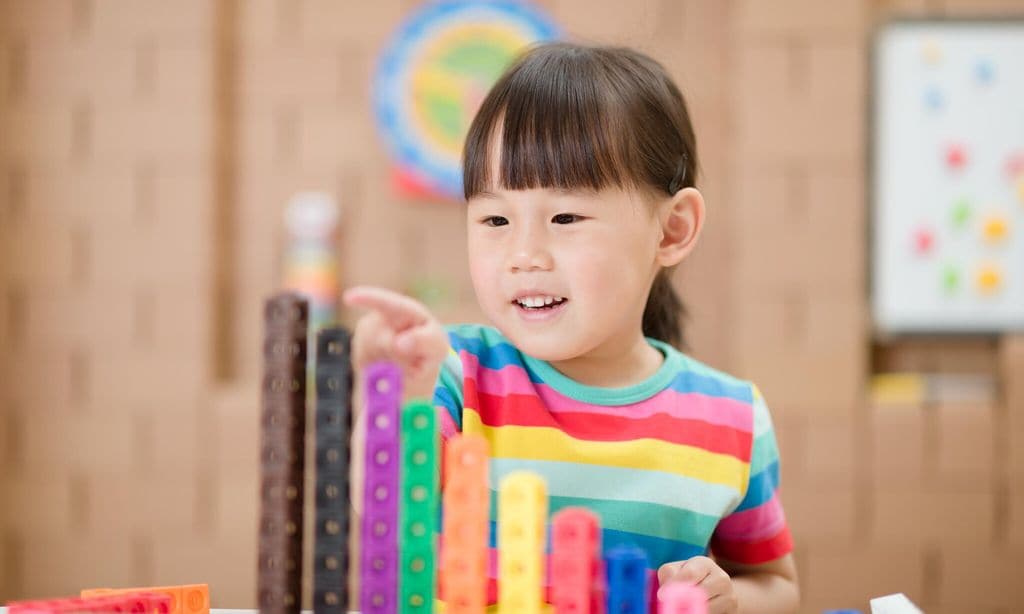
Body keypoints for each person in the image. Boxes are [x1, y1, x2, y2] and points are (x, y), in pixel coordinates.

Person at [345, 42, 799, 614]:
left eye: (565, 217)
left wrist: (727, 599)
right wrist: (395, 400)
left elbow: (778, 585)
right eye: (494, 219)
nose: (523, 253)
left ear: (671, 230)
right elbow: (381, 506)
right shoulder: (455, 374)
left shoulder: (731, 418)